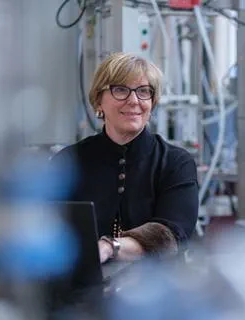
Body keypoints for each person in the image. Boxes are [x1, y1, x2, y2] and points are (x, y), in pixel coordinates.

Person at [52, 52, 199, 263]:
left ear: (152, 102)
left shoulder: (176, 163)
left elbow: (171, 234)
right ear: (98, 101)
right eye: (120, 90)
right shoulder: (68, 162)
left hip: (159, 289)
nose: (133, 100)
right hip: (83, 288)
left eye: (143, 91)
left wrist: (108, 247)